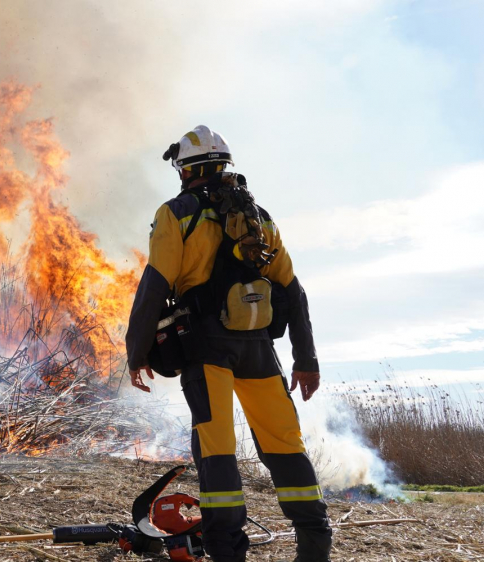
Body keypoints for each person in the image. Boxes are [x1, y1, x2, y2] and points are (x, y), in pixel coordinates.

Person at [124, 125, 332, 562]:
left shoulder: (175, 214)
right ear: (224, 166)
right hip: (258, 348)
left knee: (217, 451)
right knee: (284, 444)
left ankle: (226, 553)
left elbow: (154, 286)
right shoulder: (259, 216)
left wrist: (136, 350)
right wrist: (306, 359)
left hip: (206, 349)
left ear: (184, 170)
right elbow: (292, 292)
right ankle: (315, 545)